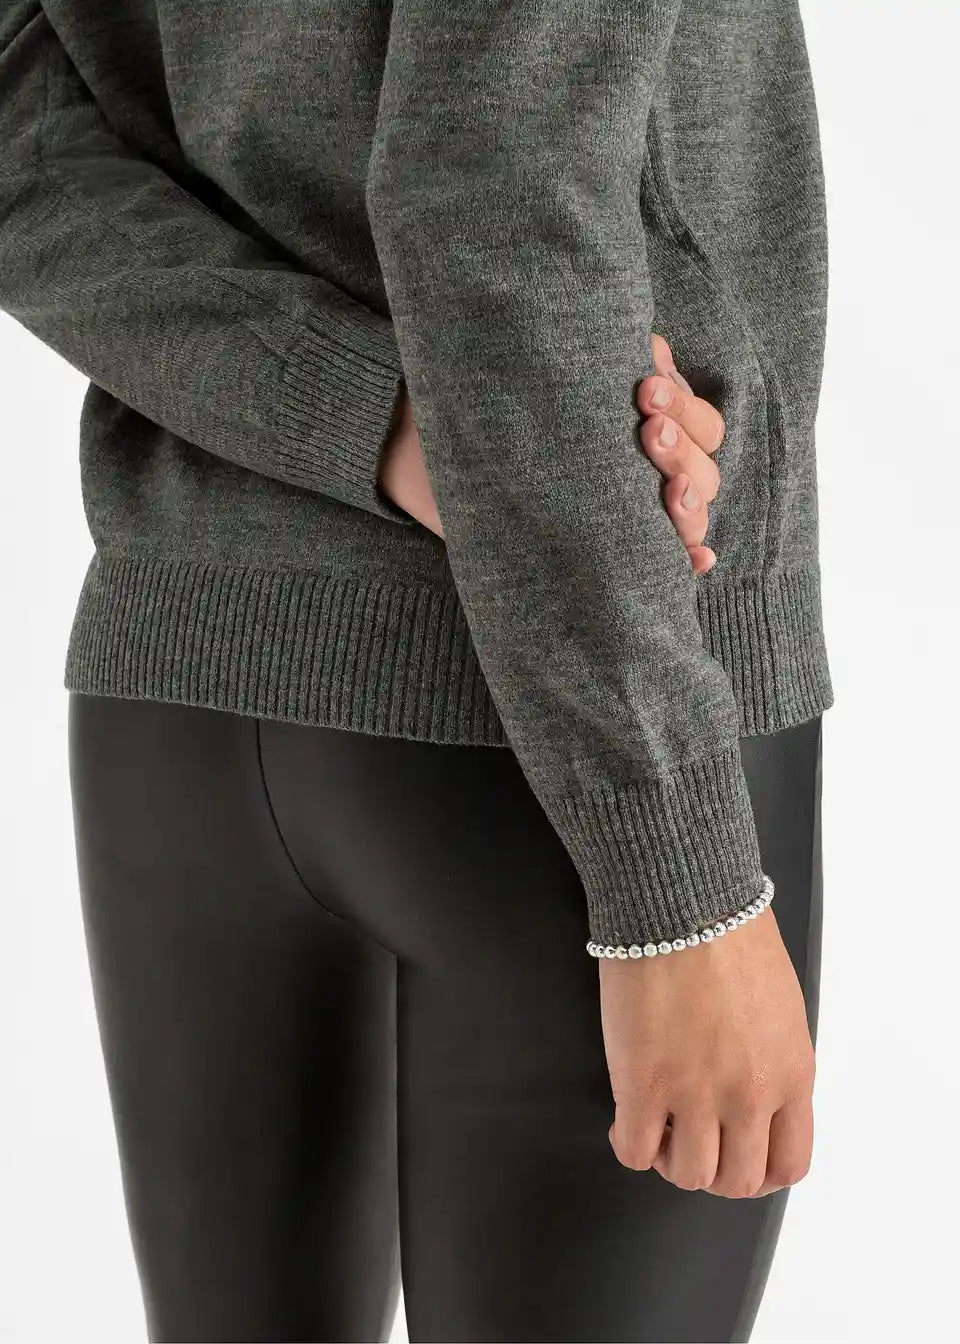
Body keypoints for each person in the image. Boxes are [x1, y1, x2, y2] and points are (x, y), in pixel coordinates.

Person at [0, 2, 831, 1341]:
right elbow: (495, 182)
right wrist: (677, 881)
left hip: (185, 709)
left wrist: (373, 414)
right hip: (579, 694)